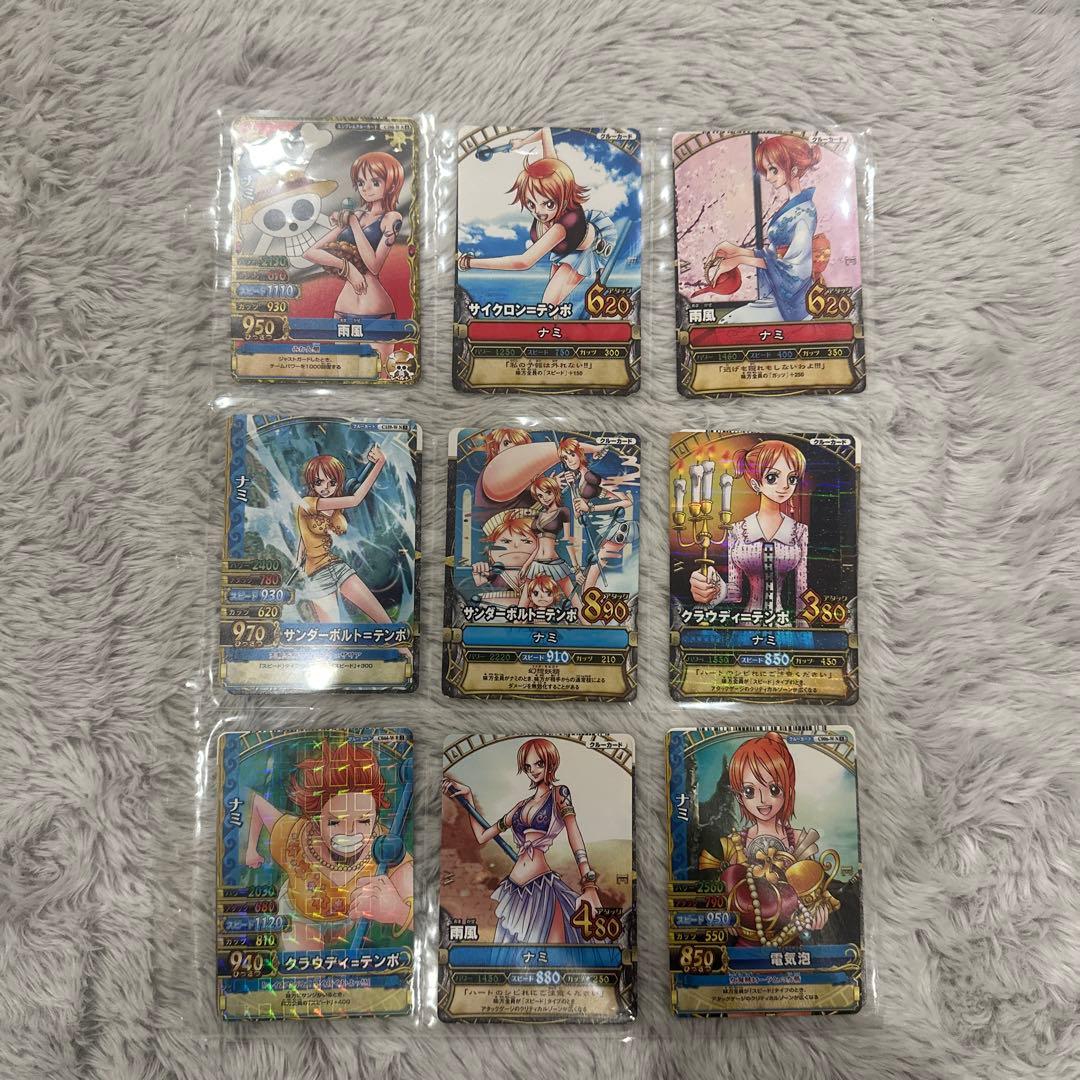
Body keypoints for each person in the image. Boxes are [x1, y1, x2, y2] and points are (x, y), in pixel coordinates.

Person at [244, 740, 412, 950]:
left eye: (363, 821)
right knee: (307, 966)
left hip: (347, 923)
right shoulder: (293, 835)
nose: (350, 832)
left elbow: (425, 915)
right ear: (316, 820)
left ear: (376, 817)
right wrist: (251, 850)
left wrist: (397, 911)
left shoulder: (387, 846)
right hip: (301, 915)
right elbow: (257, 804)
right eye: (334, 822)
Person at [441, 738, 601, 944]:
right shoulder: (520, 806)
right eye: (527, 766)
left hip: (541, 888)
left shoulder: (559, 794)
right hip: (514, 890)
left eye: (539, 763)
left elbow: (574, 833)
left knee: (548, 948)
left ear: (551, 763)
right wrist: (468, 798)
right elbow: (482, 836)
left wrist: (589, 882)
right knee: (512, 952)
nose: (533, 770)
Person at [697, 732, 831, 947]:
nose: (762, 800)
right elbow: (724, 894)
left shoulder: (799, 841)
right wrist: (723, 913)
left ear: (788, 788)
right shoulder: (734, 844)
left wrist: (819, 912)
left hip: (791, 944)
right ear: (739, 796)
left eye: (773, 789)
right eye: (750, 791)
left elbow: (815, 896)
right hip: (744, 946)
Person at [457, 127, 616, 306]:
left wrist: (469, 262)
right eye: (531, 204)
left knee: (549, 303)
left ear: (563, 196)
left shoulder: (562, 226)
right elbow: (545, 132)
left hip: (588, 250)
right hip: (566, 247)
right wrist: (522, 143)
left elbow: (524, 262)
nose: (538, 211)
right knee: (552, 305)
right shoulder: (552, 174)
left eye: (548, 204)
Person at [702, 134, 825, 323]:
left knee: (729, 322)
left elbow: (796, 270)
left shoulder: (805, 212)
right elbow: (774, 256)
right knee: (729, 322)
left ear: (793, 170)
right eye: (766, 171)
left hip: (793, 303)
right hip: (778, 296)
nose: (768, 177)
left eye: (773, 170)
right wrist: (737, 251)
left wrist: (740, 259)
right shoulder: (792, 207)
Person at [690, 440, 809, 624]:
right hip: (747, 623)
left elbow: (802, 591)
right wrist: (712, 588)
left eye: (792, 478)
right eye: (772, 477)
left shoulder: (799, 531)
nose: (785, 486)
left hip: (783, 626)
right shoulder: (738, 531)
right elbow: (734, 593)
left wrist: (804, 632)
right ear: (755, 484)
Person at [293, 449, 395, 625]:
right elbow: (355, 499)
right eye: (319, 482)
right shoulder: (307, 503)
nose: (326, 488)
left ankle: (401, 645)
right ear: (312, 482)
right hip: (318, 577)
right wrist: (379, 463)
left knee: (386, 623)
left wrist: (300, 554)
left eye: (332, 482)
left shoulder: (334, 505)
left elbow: (306, 534)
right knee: (331, 635)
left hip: (338, 567)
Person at [303, 151, 404, 320]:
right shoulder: (355, 215)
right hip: (343, 308)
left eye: (375, 182)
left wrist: (354, 224)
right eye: (361, 182)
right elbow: (310, 252)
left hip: (377, 311)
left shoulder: (391, 218)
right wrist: (348, 268)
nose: (366, 188)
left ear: (392, 186)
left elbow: (374, 266)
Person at [518, 476, 581, 613]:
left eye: (548, 492)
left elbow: (567, 540)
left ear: (555, 491)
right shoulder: (539, 515)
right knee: (522, 606)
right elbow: (537, 547)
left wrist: (576, 569)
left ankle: (589, 625)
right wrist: (525, 565)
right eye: (540, 495)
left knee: (575, 602)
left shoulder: (563, 511)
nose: (545, 498)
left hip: (554, 564)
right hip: (536, 564)